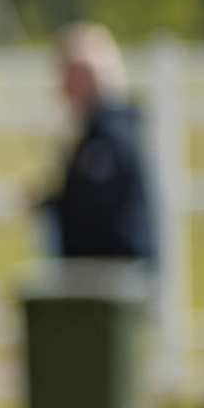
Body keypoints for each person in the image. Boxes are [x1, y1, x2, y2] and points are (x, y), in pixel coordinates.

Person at [44, 22, 154, 261]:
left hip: (113, 270)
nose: (61, 84)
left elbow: (92, 207)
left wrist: (54, 203)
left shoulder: (110, 136)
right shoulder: (98, 132)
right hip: (99, 270)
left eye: (66, 73)